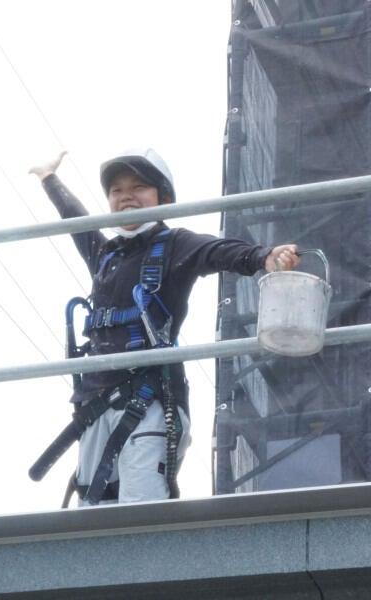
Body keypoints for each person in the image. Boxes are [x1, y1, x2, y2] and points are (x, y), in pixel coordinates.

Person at [28, 148, 300, 505]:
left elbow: (217, 251)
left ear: (163, 198)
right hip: (95, 407)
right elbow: (75, 219)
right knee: (92, 514)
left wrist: (264, 257)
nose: (126, 196)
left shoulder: (175, 245)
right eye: (116, 190)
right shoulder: (105, 255)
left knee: (140, 508)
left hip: (150, 403)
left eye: (138, 187)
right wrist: (50, 179)